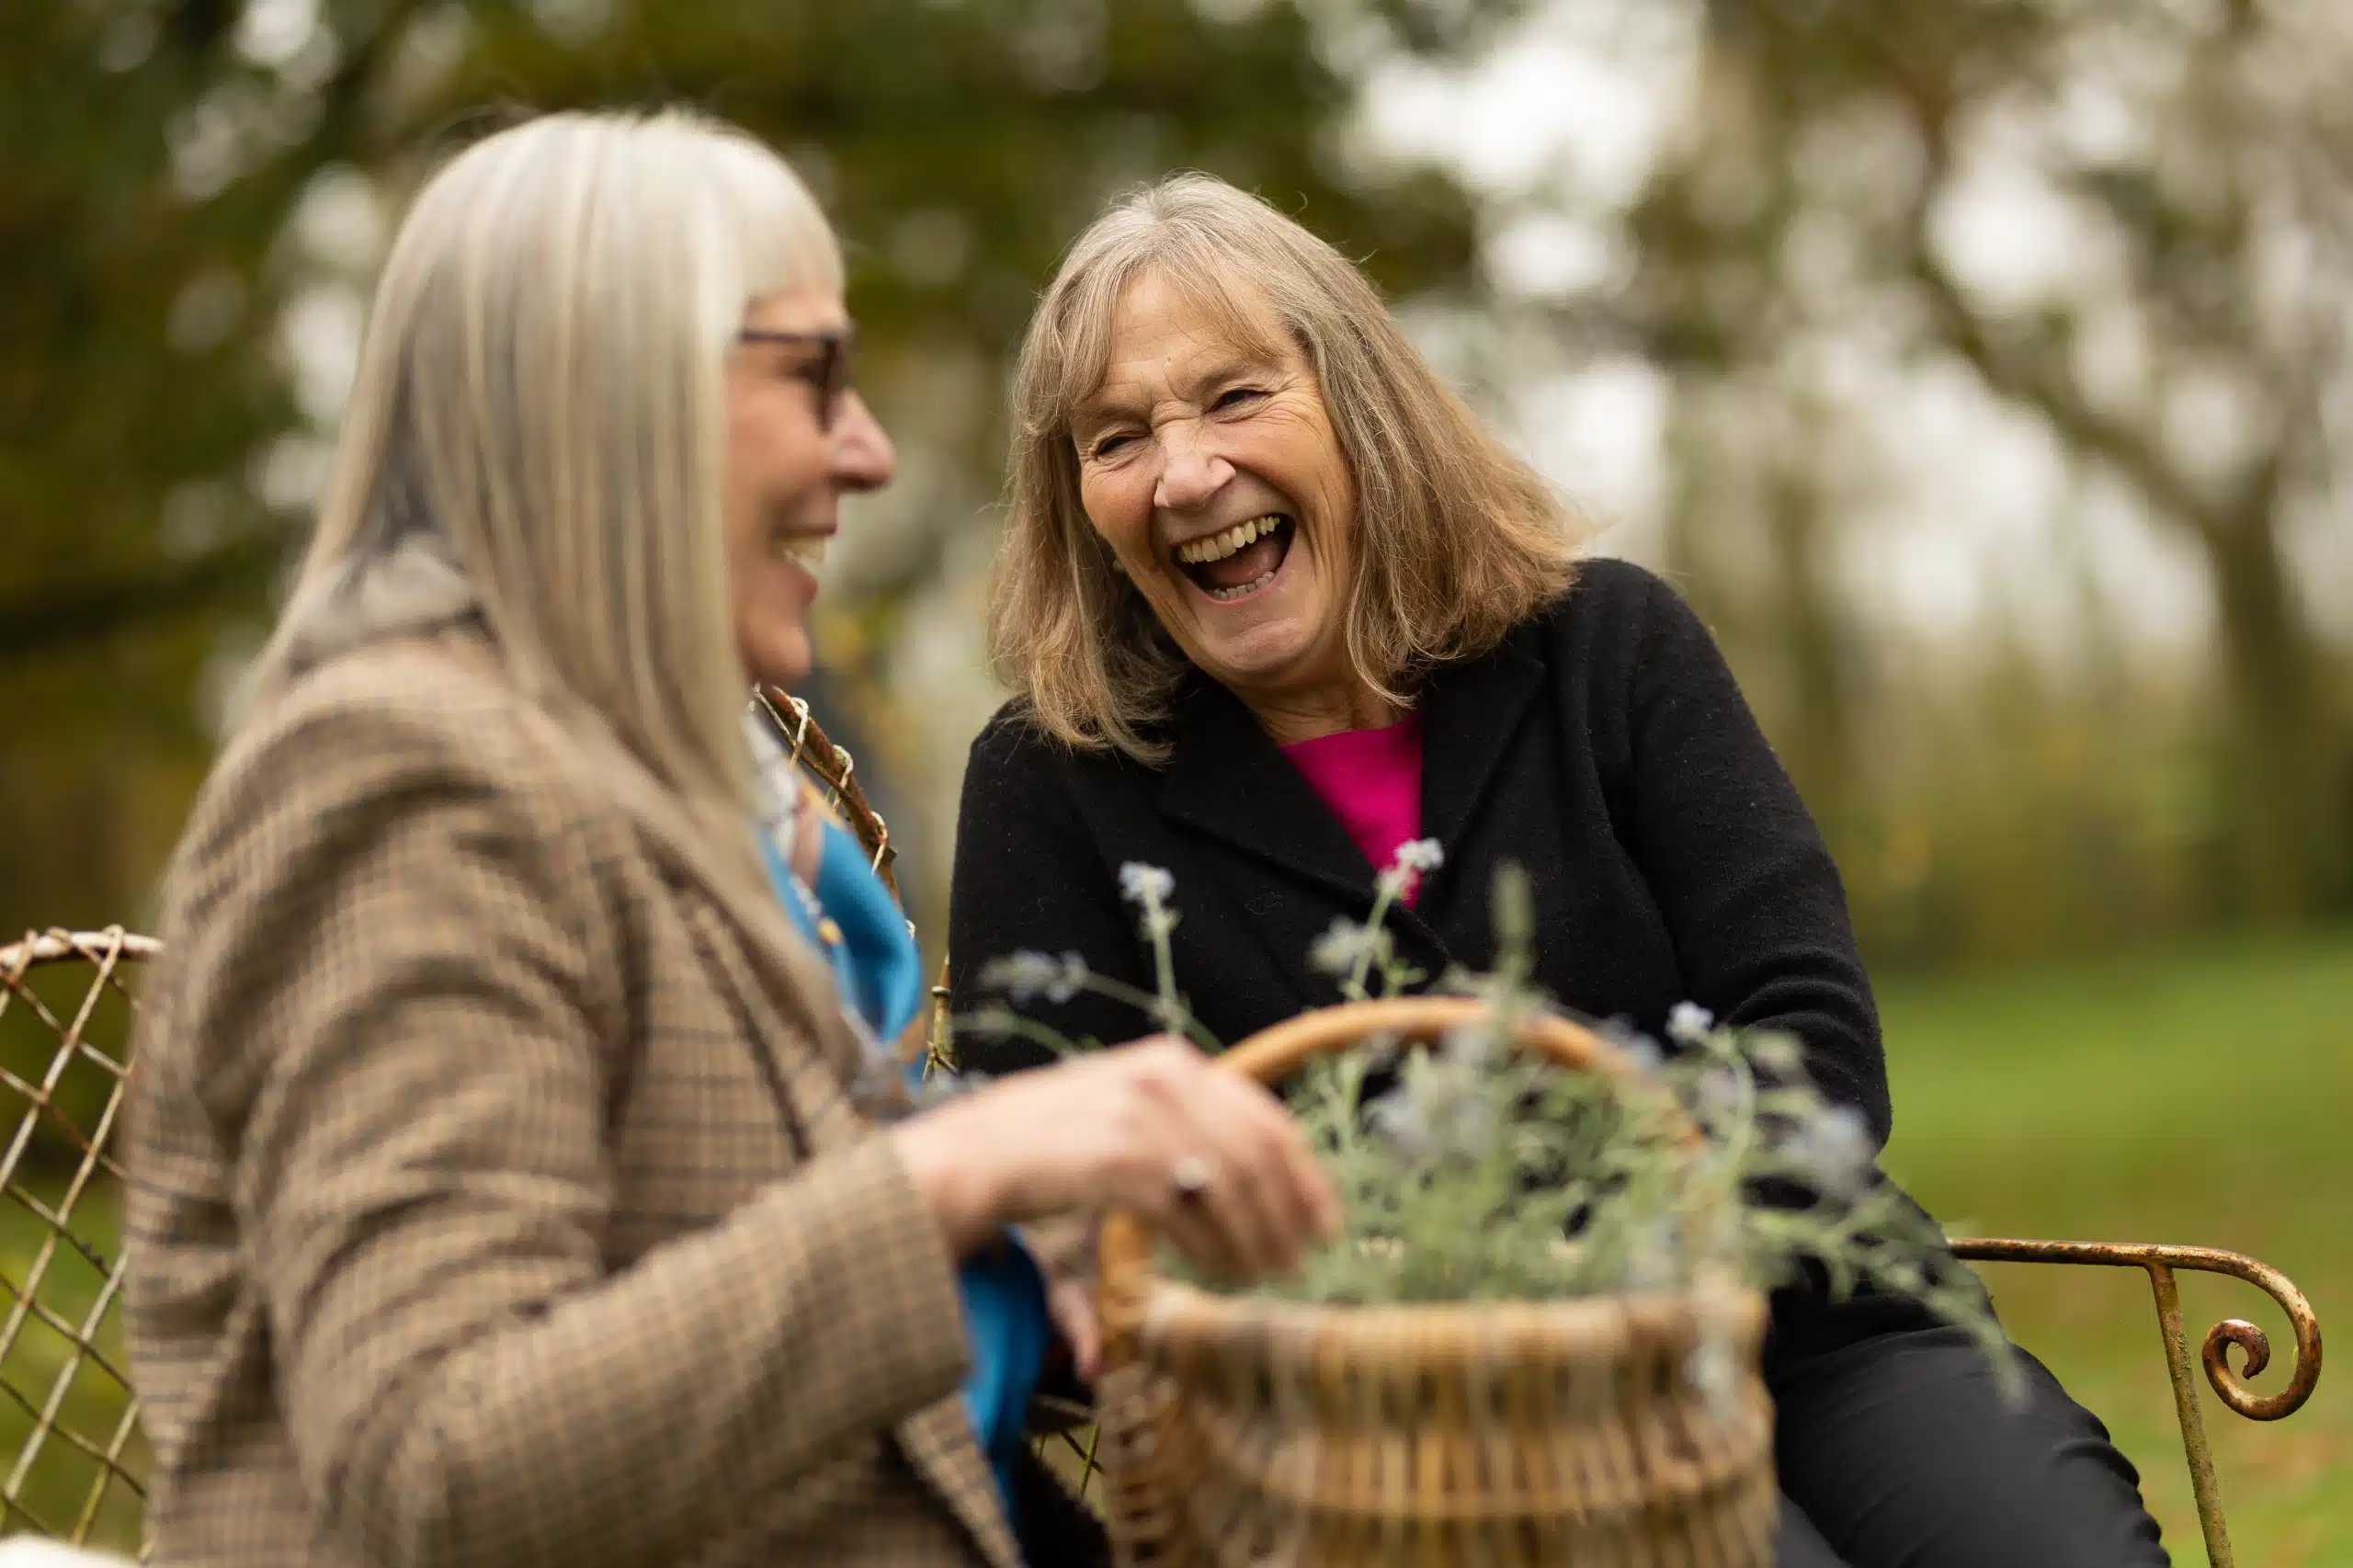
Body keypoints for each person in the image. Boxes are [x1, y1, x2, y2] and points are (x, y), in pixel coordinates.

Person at [122, 114, 1337, 1568]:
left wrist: (1036, 1225)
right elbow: (437, 1462)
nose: (870, 450)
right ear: (615, 396)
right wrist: (968, 1167)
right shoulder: (400, 772)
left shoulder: (667, 786)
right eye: (814, 377)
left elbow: (727, 1270)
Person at [948, 174, 2173, 1568]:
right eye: (1119, 438)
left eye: (1233, 398)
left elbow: (1811, 1039)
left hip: (1802, 1324)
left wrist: (1604, 1262)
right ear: (1081, 503)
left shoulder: (1614, 651)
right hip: (1402, 1450)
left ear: (1356, 407)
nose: (1183, 473)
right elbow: (1062, 1192)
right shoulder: (1053, 786)